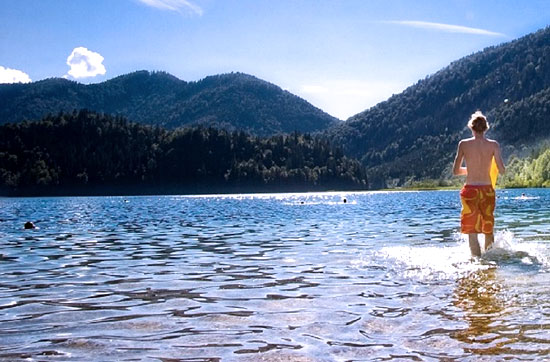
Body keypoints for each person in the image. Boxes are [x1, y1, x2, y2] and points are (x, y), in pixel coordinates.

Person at [452, 111, 505, 257]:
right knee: (488, 228)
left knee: (472, 231)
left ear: (471, 127)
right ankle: (490, 261)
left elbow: (456, 171)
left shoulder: (463, 144)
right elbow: (502, 170)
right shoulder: (494, 145)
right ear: (486, 128)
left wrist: (470, 169)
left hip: (470, 191)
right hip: (487, 190)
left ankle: (476, 263)